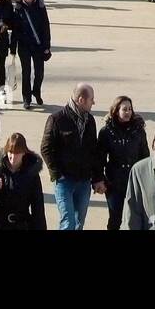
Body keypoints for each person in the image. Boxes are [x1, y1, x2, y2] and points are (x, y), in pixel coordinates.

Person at [40, 82, 105, 231]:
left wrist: (97, 178)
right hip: (64, 181)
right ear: (81, 100)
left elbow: (93, 151)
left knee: (78, 224)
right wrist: (56, 173)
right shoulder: (56, 119)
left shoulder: (90, 121)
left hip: (83, 181)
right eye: (91, 99)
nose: (93, 103)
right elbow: (46, 148)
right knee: (67, 223)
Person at [0, 130, 46, 231]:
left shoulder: (31, 175)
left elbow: (38, 209)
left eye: (17, 153)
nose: (13, 157)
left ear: (24, 153)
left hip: (20, 224)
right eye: (10, 152)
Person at [97, 95, 150, 231]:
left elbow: (145, 157)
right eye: (124, 109)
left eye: (130, 109)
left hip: (135, 182)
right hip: (114, 182)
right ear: (116, 111)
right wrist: (99, 179)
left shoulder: (138, 131)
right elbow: (99, 159)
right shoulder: (106, 132)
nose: (128, 112)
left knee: (136, 218)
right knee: (115, 217)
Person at [10, 0, 51, 110]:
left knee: (39, 73)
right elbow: (15, 29)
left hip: (38, 45)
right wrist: (13, 47)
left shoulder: (40, 6)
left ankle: (36, 91)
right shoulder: (18, 8)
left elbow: (45, 26)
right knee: (26, 72)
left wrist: (47, 45)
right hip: (24, 45)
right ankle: (26, 98)